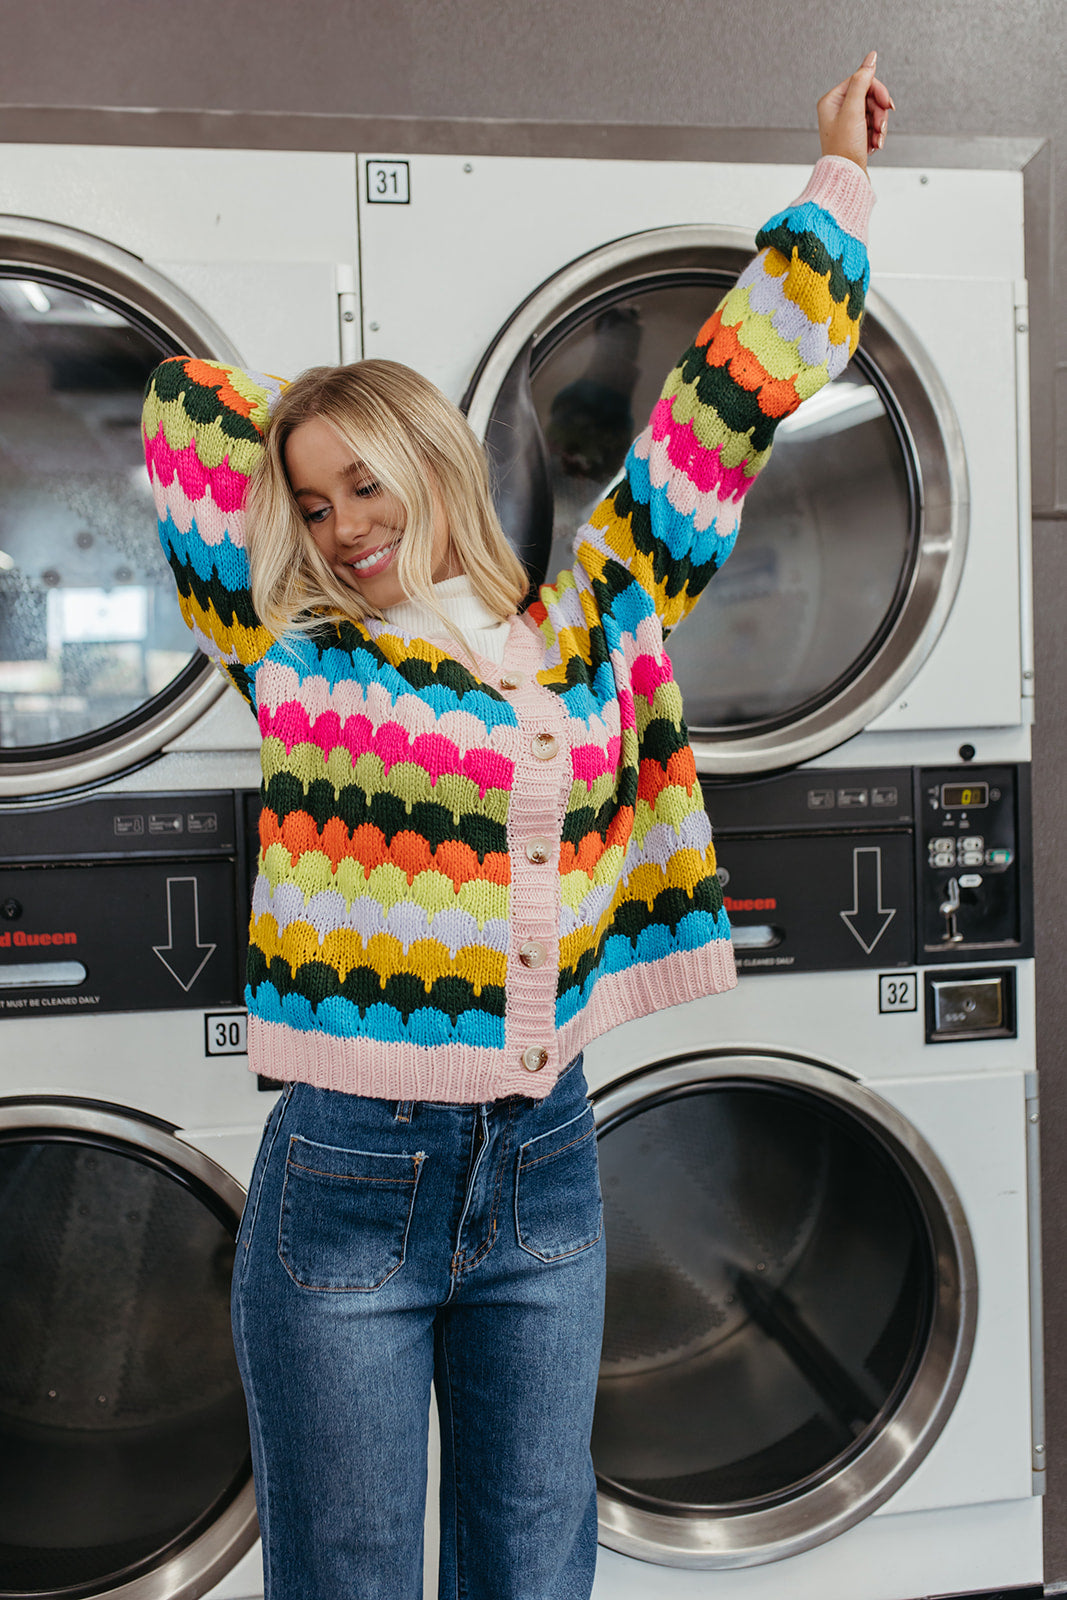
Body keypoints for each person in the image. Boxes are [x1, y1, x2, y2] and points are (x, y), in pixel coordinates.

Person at [142, 51, 892, 1600]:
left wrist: (837, 179)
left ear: (438, 461)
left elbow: (734, 396)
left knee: (534, 1570)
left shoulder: (603, 609)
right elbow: (178, 421)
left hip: (545, 1165)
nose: (347, 532)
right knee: (347, 1575)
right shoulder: (298, 661)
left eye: (371, 486)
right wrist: (315, 408)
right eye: (319, 504)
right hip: (346, 1181)